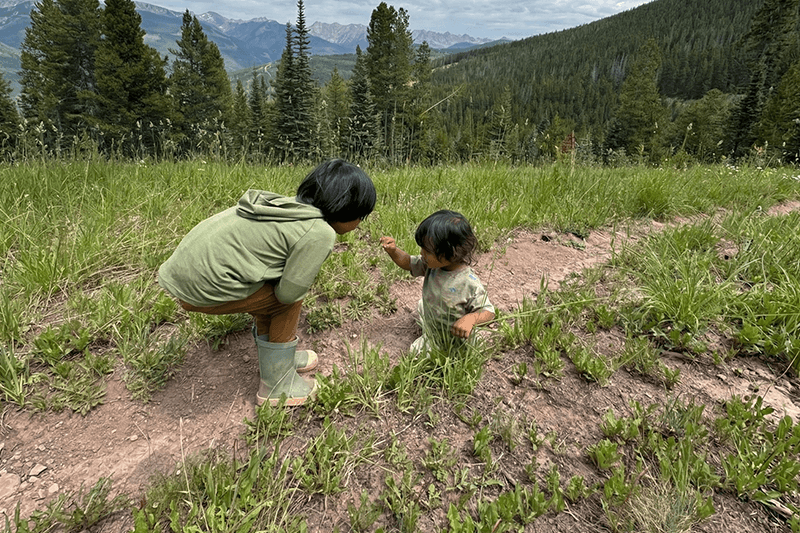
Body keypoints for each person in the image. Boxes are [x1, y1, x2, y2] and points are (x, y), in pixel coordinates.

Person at [158, 159, 376, 407]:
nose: (359, 224)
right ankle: (278, 383)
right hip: (201, 288)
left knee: (273, 291)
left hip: (182, 274)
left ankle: (275, 360)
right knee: (288, 301)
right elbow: (288, 294)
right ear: (344, 209)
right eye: (361, 216)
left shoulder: (286, 207)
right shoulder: (319, 231)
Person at [380, 210, 495, 355]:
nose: (422, 253)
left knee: (415, 354)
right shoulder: (431, 266)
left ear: (452, 252)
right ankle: (430, 327)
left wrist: (470, 319)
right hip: (434, 319)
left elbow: (489, 312)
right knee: (422, 305)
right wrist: (394, 251)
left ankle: (444, 345)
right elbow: (409, 262)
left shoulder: (468, 282)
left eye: (427, 250)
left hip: (452, 338)